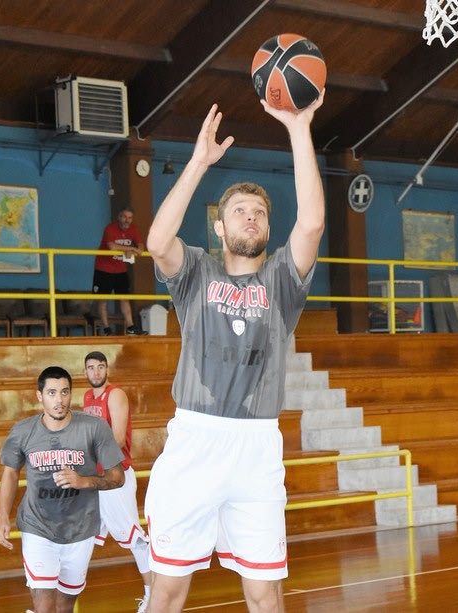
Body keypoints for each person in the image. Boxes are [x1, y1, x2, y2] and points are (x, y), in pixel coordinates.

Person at [144, 89, 325, 613]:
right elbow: (157, 243)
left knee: (265, 593)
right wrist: (199, 163)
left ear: (268, 229)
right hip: (195, 439)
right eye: (240, 211)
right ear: (219, 227)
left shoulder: (282, 281)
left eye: (259, 213)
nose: (251, 217)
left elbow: (312, 223)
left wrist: (299, 130)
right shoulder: (196, 273)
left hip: (256, 447)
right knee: (167, 590)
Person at [0, 366, 125, 613]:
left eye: (65, 392)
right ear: (39, 396)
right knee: (44, 604)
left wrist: (84, 481)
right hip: (37, 526)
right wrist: (3, 517)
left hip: (80, 528)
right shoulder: (23, 431)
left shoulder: (94, 427)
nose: (59, 400)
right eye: (52, 393)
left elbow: (118, 477)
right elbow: (10, 473)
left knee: (65, 606)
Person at [83, 350, 152, 613]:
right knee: (83, 535)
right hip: (96, 477)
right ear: (85, 371)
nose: (96, 372)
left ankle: (153, 595)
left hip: (115, 476)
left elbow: (118, 439)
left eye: (100, 367)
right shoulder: (88, 397)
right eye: (91, 368)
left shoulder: (115, 395)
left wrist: (85, 453)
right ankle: (55, 595)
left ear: (107, 369)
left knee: (134, 538)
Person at [92, 205, 148, 335]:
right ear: (119, 217)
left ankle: (130, 327)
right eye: (124, 217)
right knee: (103, 299)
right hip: (104, 268)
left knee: (124, 298)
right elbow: (112, 246)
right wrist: (131, 248)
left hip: (120, 269)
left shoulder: (133, 229)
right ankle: (106, 328)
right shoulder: (110, 228)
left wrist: (136, 249)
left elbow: (140, 246)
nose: (127, 220)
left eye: (130, 218)